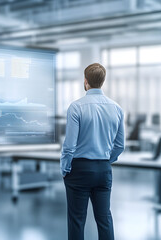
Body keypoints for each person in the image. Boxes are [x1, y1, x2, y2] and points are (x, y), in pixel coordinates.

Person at [60, 63, 125, 240]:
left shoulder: (76, 107)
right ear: (102, 82)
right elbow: (120, 145)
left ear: (85, 81)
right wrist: (104, 161)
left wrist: (65, 168)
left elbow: (69, 145)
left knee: (76, 220)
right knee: (104, 220)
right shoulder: (116, 108)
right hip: (104, 170)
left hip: (79, 170)